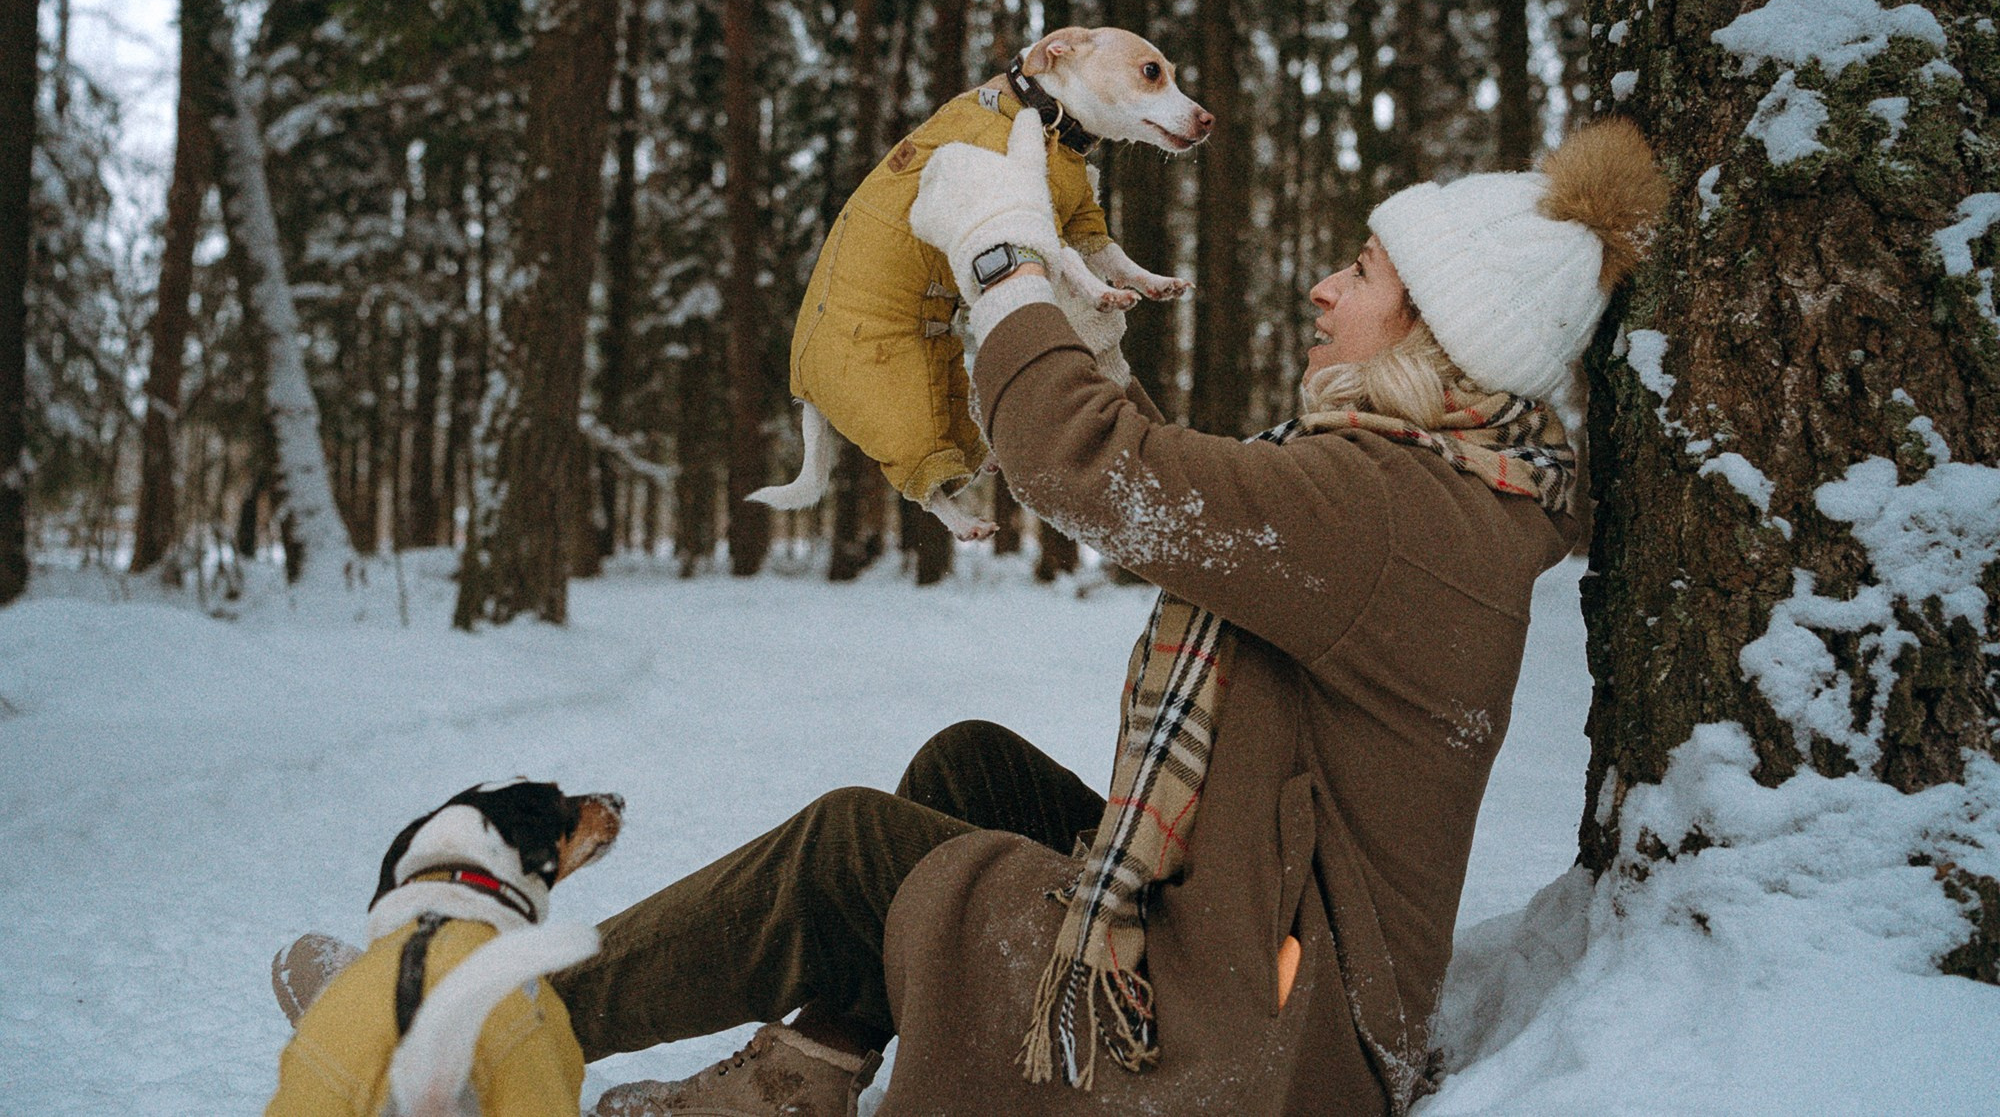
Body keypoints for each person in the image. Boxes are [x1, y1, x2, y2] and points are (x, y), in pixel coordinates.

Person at [276, 112, 1664, 1117]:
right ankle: (803, 1078)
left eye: (1361, 275)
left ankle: (479, 1016)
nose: (1324, 285)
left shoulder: (1388, 511)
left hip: (1255, 1041)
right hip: (1275, 961)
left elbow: (1101, 469)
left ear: (1433, 340)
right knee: (969, 770)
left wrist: (1004, 257)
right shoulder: (1438, 499)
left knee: (852, 848)